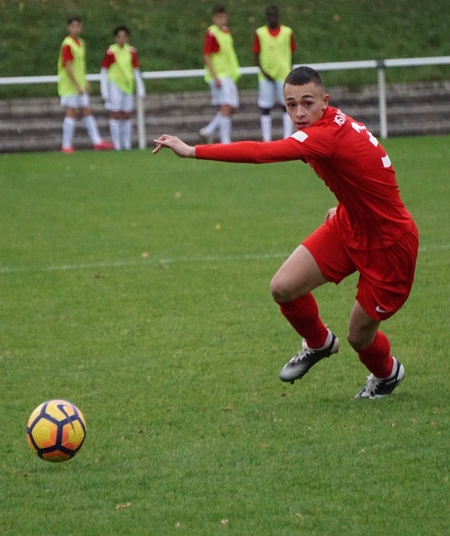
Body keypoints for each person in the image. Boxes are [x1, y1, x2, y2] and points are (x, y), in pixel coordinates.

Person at [155, 66, 419, 399]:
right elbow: (363, 171)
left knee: (359, 336)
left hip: (389, 247)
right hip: (350, 224)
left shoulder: (323, 137)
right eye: (290, 105)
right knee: (284, 287)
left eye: (306, 103)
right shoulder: (331, 124)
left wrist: (193, 150)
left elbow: (260, 153)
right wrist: (347, 206)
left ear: (325, 101)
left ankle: (387, 374)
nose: (298, 113)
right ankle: (319, 343)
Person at [57, 16, 112, 153]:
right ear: (69, 28)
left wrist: (84, 81)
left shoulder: (80, 43)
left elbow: (78, 66)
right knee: (71, 113)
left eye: (78, 26)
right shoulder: (68, 44)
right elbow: (68, 66)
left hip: (79, 84)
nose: (76, 28)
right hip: (70, 86)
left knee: (86, 111)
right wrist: (76, 84)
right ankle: (66, 145)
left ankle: (97, 141)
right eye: (73, 26)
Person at [253, 5, 296, 141]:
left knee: (286, 105)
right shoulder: (260, 33)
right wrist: (263, 71)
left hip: (284, 74)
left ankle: (287, 136)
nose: (272, 18)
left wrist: (290, 70)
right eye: (270, 15)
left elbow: (292, 52)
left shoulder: (287, 32)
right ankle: (266, 138)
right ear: (267, 17)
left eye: (274, 15)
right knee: (265, 106)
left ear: (278, 16)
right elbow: (255, 53)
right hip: (266, 75)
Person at [199, 5, 240, 144]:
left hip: (228, 74)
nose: (221, 20)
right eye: (218, 18)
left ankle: (208, 130)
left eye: (223, 17)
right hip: (219, 75)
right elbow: (206, 55)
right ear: (214, 18)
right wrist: (214, 76)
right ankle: (225, 141)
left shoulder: (226, 32)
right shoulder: (212, 33)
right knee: (226, 106)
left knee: (233, 106)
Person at [100, 25, 145, 150]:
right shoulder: (111, 51)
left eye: (124, 36)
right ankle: (117, 145)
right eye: (119, 36)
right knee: (115, 113)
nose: (121, 39)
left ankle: (127, 144)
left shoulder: (131, 51)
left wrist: (140, 86)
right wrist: (104, 89)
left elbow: (136, 69)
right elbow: (104, 70)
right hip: (115, 84)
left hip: (127, 86)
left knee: (126, 114)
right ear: (115, 38)